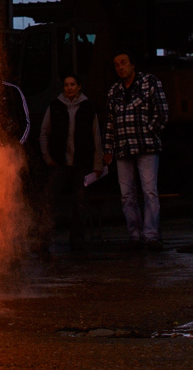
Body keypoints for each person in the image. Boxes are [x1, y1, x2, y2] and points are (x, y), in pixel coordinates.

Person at [104, 48, 169, 250]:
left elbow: (162, 112)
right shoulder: (114, 91)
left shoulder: (150, 82)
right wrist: (108, 148)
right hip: (123, 148)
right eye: (116, 64)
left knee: (149, 191)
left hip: (146, 146)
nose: (120, 67)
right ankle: (134, 234)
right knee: (127, 194)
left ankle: (151, 235)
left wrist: (149, 132)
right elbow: (110, 122)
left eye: (123, 62)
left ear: (132, 63)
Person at [40, 73, 103, 250]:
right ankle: (43, 238)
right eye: (66, 85)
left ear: (79, 86)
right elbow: (44, 132)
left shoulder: (88, 107)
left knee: (80, 202)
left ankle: (77, 239)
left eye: (73, 84)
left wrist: (97, 164)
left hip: (81, 164)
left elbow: (96, 135)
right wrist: (47, 157)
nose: (69, 88)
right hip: (59, 162)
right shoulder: (55, 106)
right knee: (49, 199)